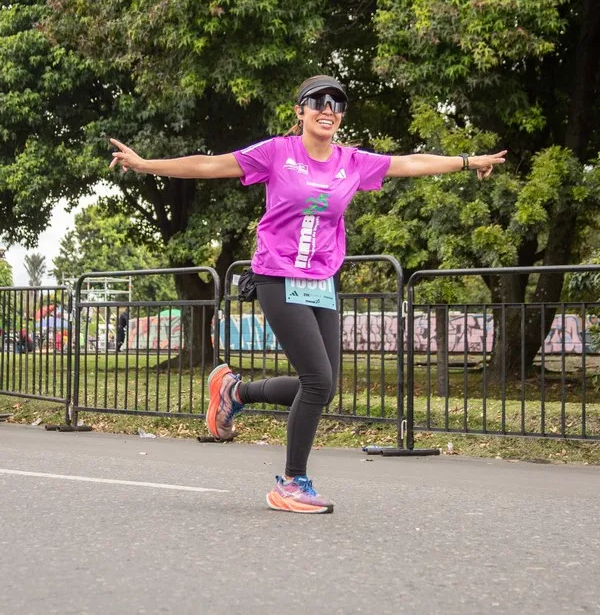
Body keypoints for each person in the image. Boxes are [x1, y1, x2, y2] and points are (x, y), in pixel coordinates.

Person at [109, 75, 506, 514]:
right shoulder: (277, 152)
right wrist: (146, 165)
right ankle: (292, 483)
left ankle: (235, 392)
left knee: (324, 384)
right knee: (317, 379)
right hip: (276, 275)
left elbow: (411, 163)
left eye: (337, 103)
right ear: (299, 110)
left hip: (322, 281)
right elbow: (209, 164)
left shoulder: (352, 161)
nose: (328, 108)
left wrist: (467, 161)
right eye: (317, 101)